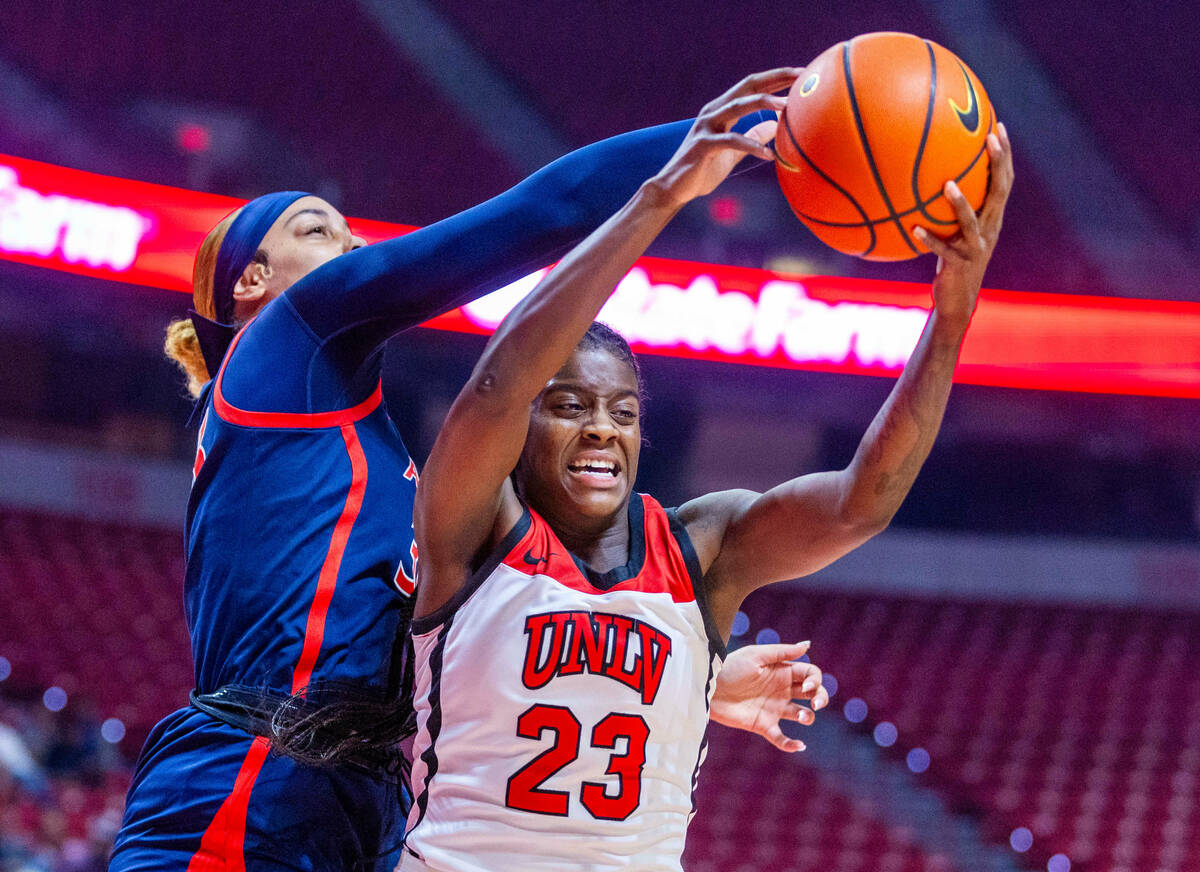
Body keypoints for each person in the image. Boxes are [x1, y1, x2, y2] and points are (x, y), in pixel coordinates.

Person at [110, 70, 828, 872]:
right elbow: (540, 214)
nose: (351, 248)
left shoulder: (356, 445)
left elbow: (468, 638)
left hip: (362, 796)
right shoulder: (285, 342)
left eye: (350, 236)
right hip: (256, 776)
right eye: (318, 231)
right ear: (252, 283)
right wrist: (721, 139)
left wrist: (694, 677)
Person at [406, 69, 1014, 871]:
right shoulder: (475, 531)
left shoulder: (703, 545)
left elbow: (862, 504)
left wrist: (952, 314)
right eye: (569, 405)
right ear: (523, 424)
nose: (601, 429)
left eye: (622, 412)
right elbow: (494, 386)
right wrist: (660, 198)